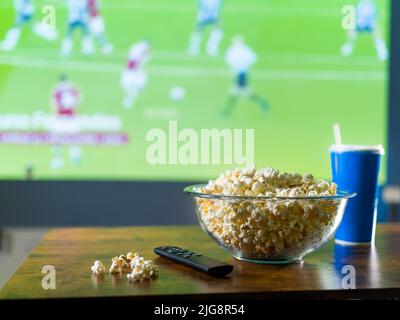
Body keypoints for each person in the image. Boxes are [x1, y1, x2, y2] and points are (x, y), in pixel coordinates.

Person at [221, 36, 268, 117]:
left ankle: (226, 111)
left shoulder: (233, 50)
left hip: (241, 75)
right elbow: (253, 58)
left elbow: (229, 61)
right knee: (243, 93)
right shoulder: (245, 49)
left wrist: (237, 66)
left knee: (235, 93)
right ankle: (263, 104)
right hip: (243, 74)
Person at [50, 75, 82, 169]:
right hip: (71, 117)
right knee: (74, 138)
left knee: (57, 140)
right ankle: (75, 157)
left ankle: (57, 160)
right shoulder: (73, 87)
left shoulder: (56, 89)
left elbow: (54, 104)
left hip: (60, 117)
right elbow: (78, 100)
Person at [120, 40, 151, 108]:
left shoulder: (142, 51)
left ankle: (131, 96)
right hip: (132, 71)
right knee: (135, 85)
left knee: (137, 85)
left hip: (134, 71)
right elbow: (131, 62)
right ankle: (130, 97)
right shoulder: (137, 49)